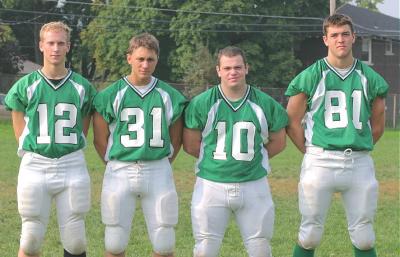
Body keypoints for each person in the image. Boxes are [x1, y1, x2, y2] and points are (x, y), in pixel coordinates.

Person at [285, 14, 388, 257]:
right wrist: (311, 151)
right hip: (320, 160)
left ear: (354, 37)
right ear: (325, 40)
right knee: (309, 234)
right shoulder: (311, 75)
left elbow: (378, 125)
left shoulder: (371, 78)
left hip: (359, 162)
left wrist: (359, 146)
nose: (340, 39)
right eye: (334, 35)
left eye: (344, 34)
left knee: (364, 237)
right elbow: (291, 121)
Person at [183, 46, 288, 257]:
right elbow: (191, 144)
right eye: (227, 67)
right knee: (204, 249)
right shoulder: (202, 103)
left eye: (238, 67)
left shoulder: (264, 103)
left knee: (260, 248)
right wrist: (219, 161)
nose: (233, 72)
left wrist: (252, 158)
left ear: (246, 68)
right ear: (218, 70)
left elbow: (279, 141)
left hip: (253, 184)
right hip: (211, 184)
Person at [4, 21, 96, 257]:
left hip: (72, 164)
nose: (56, 48)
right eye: (51, 43)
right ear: (41, 46)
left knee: (76, 240)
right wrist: (37, 151)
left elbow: (82, 129)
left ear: (68, 47)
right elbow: (19, 132)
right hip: (36, 164)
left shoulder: (82, 87)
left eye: (60, 43)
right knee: (31, 238)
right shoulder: (26, 85)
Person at [93, 33, 187, 257]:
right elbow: (99, 139)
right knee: (114, 242)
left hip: (157, 169)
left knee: (164, 242)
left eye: (150, 59)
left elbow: (176, 139)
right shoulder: (111, 94)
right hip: (120, 169)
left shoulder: (170, 95)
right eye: (140, 59)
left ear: (157, 60)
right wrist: (114, 163)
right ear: (129, 58)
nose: (145, 65)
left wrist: (161, 162)